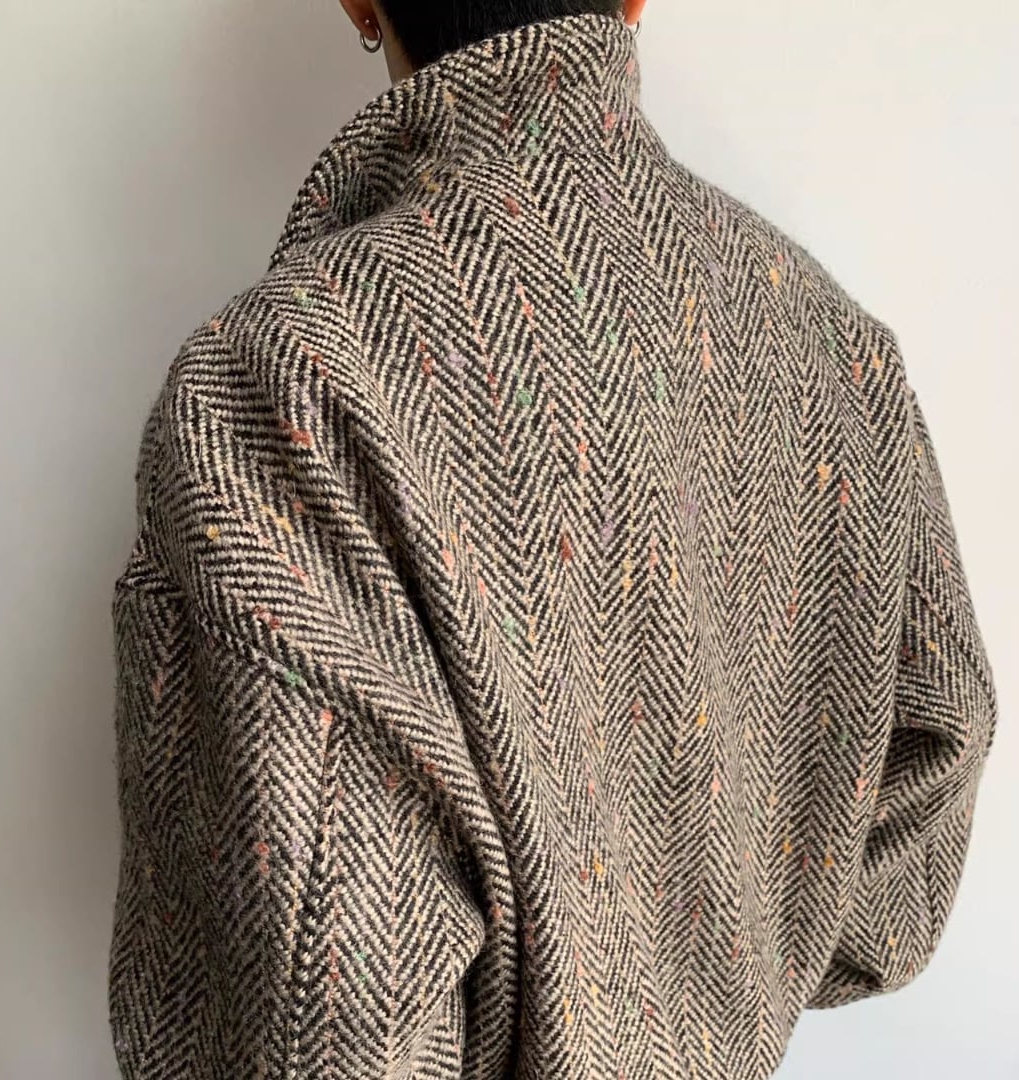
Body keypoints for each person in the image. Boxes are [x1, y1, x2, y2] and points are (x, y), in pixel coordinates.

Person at [107, 2, 999, 1078]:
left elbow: (327, 1030)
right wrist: (720, 973)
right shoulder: (835, 349)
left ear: (356, 1)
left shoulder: (284, 388)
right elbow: (933, 774)